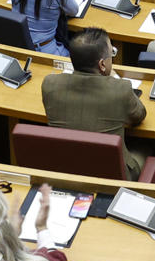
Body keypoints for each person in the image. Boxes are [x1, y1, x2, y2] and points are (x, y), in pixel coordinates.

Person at [42, 29, 148, 180]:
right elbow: (139, 115)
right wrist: (112, 77)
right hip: (114, 175)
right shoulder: (121, 88)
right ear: (102, 64)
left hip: (65, 168)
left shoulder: (50, 84)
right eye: (112, 54)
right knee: (146, 147)